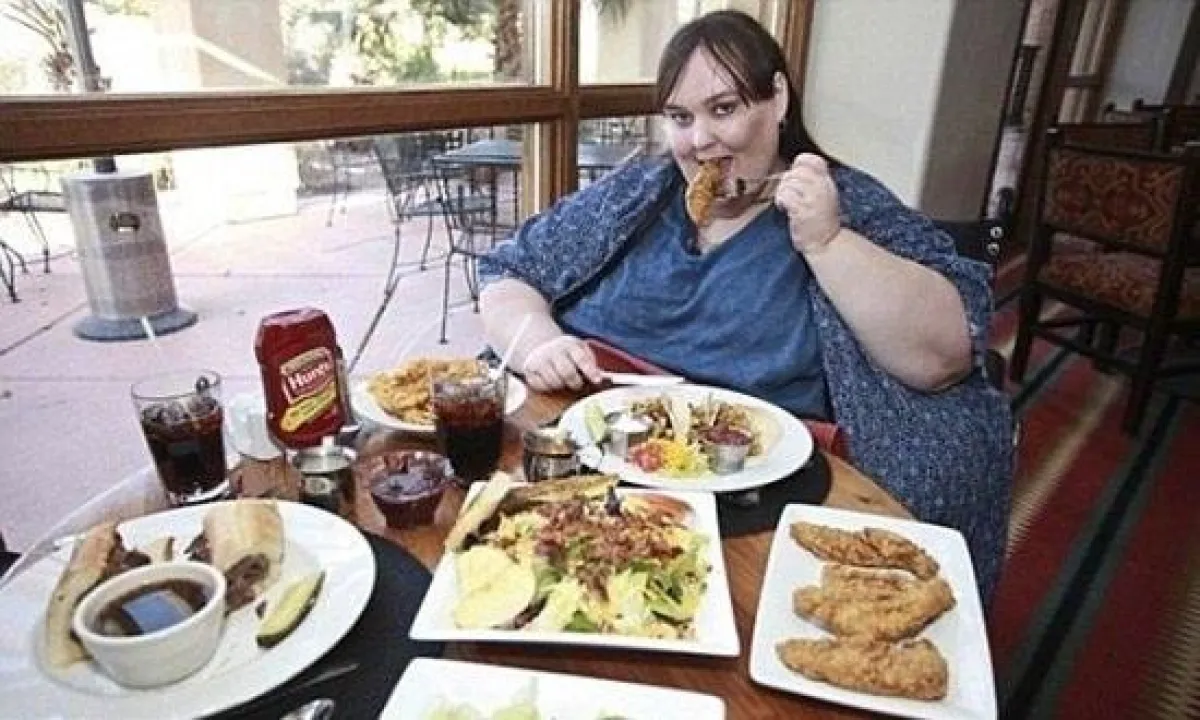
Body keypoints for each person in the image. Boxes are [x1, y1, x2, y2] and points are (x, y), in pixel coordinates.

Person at [477, 10, 1012, 598]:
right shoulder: (638, 191)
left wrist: (827, 241)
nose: (699, 140)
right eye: (681, 117)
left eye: (724, 108)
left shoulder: (843, 204)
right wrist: (539, 344)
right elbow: (508, 271)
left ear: (778, 98)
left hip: (759, 501)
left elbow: (944, 357)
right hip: (586, 459)